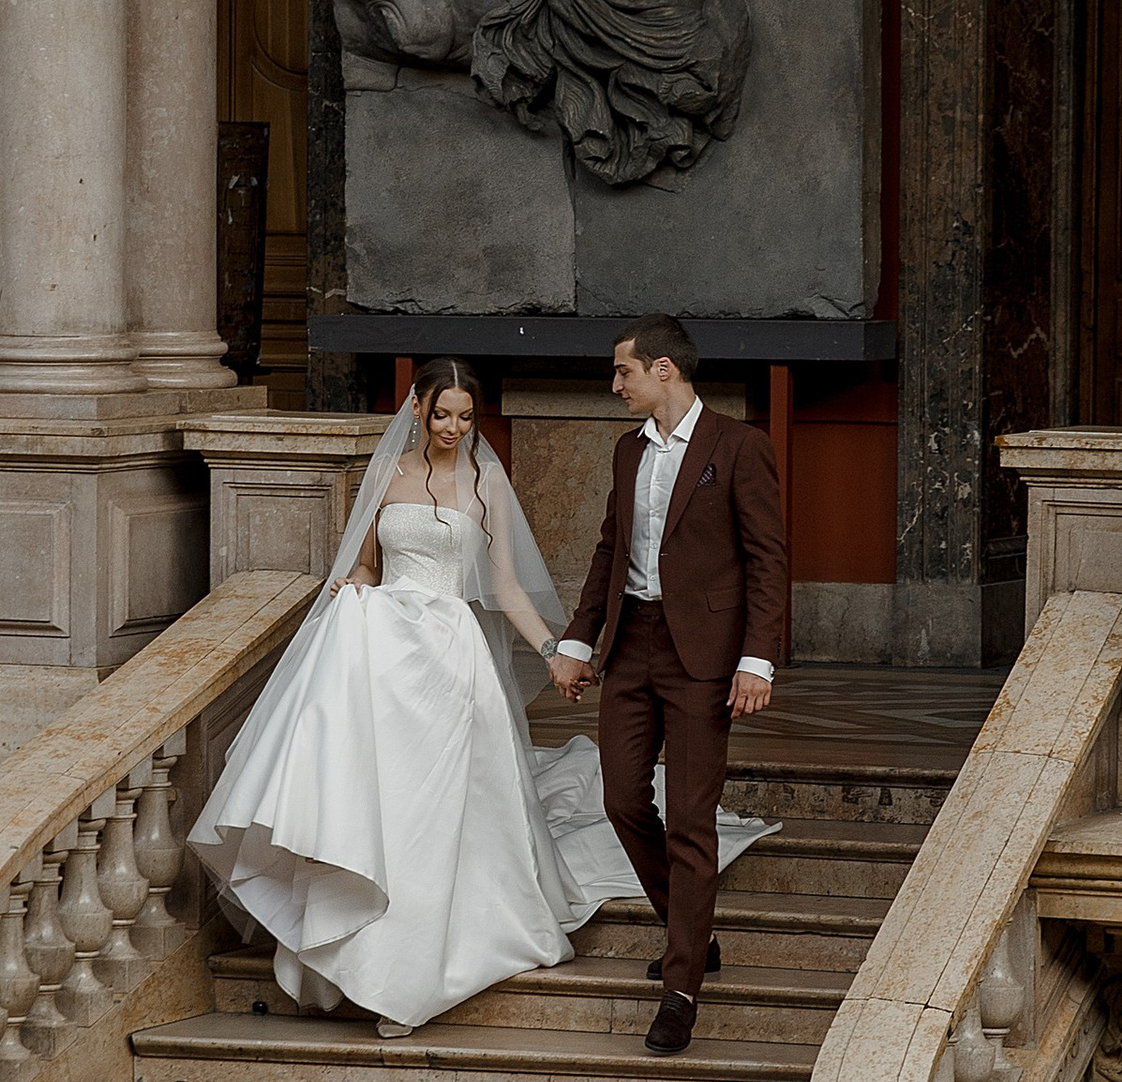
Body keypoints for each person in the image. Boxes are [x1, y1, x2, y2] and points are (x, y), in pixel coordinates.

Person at [191, 359, 770, 1032]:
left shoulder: (486, 478)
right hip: (383, 658)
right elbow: (367, 566)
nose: (455, 428)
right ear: (417, 410)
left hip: (449, 656)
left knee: (436, 810)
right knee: (380, 803)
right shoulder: (383, 475)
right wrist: (351, 586)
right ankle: (361, 952)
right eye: (443, 415)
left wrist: (559, 651)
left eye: (466, 417)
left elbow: (505, 587)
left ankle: (421, 968)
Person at [551, 317, 787, 1055]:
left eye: (622, 372)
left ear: (662, 369)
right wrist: (576, 640)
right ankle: (693, 930)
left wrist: (758, 660)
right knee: (622, 798)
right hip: (631, 648)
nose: (614, 384)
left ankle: (681, 987)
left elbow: (768, 562)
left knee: (691, 815)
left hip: (704, 657)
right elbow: (607, 551)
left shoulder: (739, 447)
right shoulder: (628, 452)